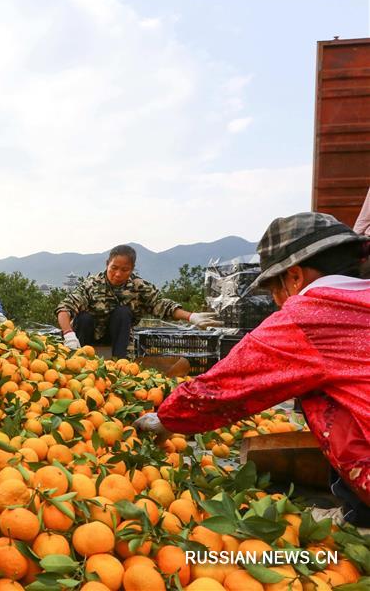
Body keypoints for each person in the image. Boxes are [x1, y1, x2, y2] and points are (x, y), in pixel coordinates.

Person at [135, 212, 370, 526]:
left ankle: (361, 522)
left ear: (295, 277)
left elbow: (225, 386)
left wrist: (165, 419)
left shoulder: (310, 315)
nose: (275, 301)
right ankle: (358, 512)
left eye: (274, 289)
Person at [55, 245, 221, 358]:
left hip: (118, 338)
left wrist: (191, 316)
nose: (118, 274)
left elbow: (162, 305)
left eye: (124, 270)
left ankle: (119, 364)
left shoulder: (138, 286)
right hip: (86, 337)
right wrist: (68, 334)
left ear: (132, 269)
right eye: (114, 268)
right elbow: (65, 308)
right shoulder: (91, 284)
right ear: (107, 264)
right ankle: (80, 360)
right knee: (83, 317)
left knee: (123, 312)